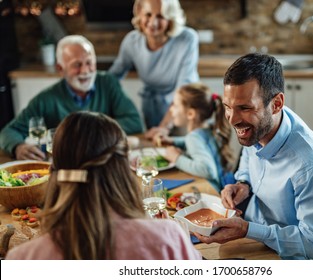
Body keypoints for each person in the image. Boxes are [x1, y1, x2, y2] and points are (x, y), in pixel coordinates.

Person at [194, 53, 313, 260]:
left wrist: (248, 230)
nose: (233, 120)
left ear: (277, 104)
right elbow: (248, 156)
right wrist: (243, 182)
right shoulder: (258, 125)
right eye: (228, 107)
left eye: (245, 108)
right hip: (249, 235)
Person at [5, 111, 201, 260]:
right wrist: (184, 244)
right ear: (123, 170)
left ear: (55, 172)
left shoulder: (22, 258)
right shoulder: (167, 239)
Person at [0, 35, 143, 161]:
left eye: (89, 62)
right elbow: (9, 132)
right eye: (77, 65)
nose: (85, 71)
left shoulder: (107, 83)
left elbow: (134, 122)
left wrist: (90, 133)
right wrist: (18, 147)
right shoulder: (45, 99)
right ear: (60, 69)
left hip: (105, 163)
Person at [109, 0, 199, 137]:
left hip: (185, 107)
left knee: (182, 149)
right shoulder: (132, 41)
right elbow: (112, 78)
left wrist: (164, 127)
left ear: (170, 18)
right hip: (151, 106)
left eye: (160, 16)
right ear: (139, 13)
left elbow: (183, 88)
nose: (153, 22)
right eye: (148, 14)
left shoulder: (187, 39)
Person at [152, 83, 234, 192]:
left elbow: (207, 170)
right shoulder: (208, 130)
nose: (171, 109)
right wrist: (173, 141)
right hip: (221, 188)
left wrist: (176, 158)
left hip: (211, 191)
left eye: (175, 105)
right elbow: (199, 144)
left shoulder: (193, 138)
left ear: (190, 114)